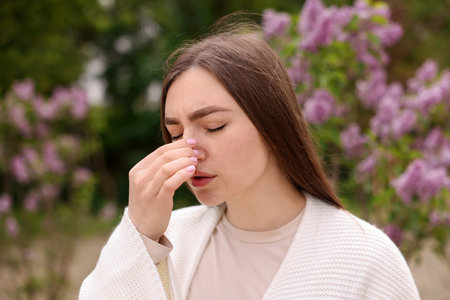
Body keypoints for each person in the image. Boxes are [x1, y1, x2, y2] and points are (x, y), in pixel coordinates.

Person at [79, 21, 420, 300]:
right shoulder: (170, 241)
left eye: (214, 126)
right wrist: (140, 237)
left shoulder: (365, 258)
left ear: (271, 123)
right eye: (177, 133)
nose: (189, 150)